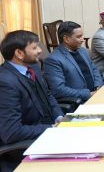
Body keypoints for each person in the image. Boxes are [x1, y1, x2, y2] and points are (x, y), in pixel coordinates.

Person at [0, 30, 63, 170]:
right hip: (26, 148)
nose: (40, 51)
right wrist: (51, 128)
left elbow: (48, 95)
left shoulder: (33, 67)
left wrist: (59, 117)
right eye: (34, 47)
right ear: (19, 53)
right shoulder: (5, 82)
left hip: (49, 134)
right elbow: (11, 132)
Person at [43, 21, 104, 101]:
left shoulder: (83, 51)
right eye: (79, 37)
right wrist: (89, 94)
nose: (82, 40)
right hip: (79, 102)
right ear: (66, 39)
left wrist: (98, 86)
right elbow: (58, 90)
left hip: (97, 95)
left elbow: (94, 69)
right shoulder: (53, 60)